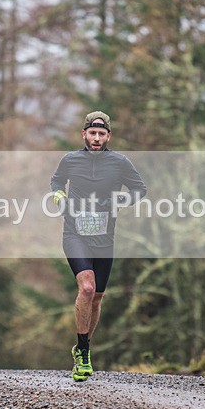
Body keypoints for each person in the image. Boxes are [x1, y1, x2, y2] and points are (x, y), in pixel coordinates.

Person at [50, 111, 146, 381]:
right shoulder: (70, 160)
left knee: (98, 297)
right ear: (84, 134)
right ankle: (82, 352)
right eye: (92, 133)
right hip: (75, 233)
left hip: (104, 238)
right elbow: (56, 182)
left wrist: (120, 202)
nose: (96, 138)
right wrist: (59, 199)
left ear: (108, 137)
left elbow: (140, 189)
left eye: (101, 134)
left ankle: (83, 346)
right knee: (87, 287)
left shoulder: (120, 162)